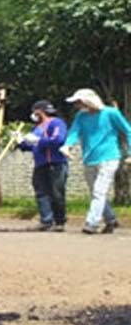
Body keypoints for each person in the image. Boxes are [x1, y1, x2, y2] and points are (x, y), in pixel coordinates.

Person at [61, 88, 131, 234]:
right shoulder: (81, 116)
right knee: (96, 192)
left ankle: (91, 223)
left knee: (99, 191)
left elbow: (127, 130)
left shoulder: (111, 113)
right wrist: (67, 146)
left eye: (78, 102)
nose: (77, 105)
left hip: (109, 157)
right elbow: (74, 131)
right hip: (89, 158)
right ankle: (111, 219)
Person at [15, 100, 69, 231]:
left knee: (57, 193)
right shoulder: (36, 128)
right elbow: (32, 145)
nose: (33, 115)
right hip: (40, 163)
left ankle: (60, 222)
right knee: (41, 192)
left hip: (56, 162)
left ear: (40, 112)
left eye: (34, 112)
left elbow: (58, 140)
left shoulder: (56, 123)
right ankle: (46, 221)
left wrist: (39, 140)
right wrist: (21, 141)